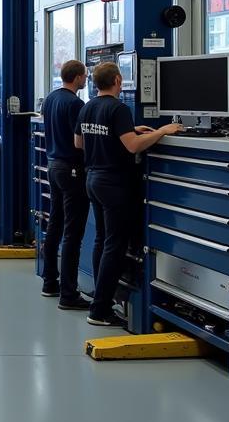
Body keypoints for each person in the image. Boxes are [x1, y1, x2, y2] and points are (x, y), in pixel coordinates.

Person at [75, 62, 182, 326]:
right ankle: (99, 311)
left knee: (102, 240)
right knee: (115, 245)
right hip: (114, 183)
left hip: (93, 180)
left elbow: (79, 142)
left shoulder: (88, 106)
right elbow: (133, 147)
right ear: (117, 80)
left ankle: (100, 299)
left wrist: (129, 130)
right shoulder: (118, 108)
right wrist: (161, 132)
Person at [39, 59, 91, 309]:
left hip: (53, 166)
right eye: (85, 76)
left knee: (55, 224)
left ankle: (50, 282)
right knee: (73, 232)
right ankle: (69, 294)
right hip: (71, 169)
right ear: (78, 77)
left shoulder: (50, 98)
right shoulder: (75, 103)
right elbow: (80, 140)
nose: (87, 79)